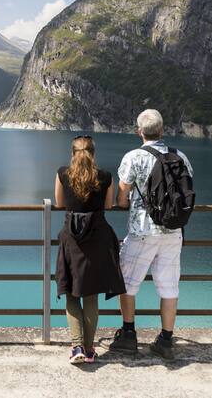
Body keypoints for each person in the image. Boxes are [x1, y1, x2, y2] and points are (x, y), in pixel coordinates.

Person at [109, 109, 194, 360]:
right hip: (173, 231)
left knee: (127, 283)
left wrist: (124, 201)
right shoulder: (180, 155)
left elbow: (122, 195)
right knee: (169, 287)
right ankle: (165, 340)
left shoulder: (134, 157)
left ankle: (128, 335)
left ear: (139, 132)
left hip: (142, 231)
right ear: (162, 130)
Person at [54, 135, 126, 365]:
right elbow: (107, 206)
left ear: (72, 153)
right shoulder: (105, 176)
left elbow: (59, 203)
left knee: (71, 292)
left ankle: (76, 348)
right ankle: (89, 349)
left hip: (72, 239)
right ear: (93, 154)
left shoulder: (63, 173)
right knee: (91, 295)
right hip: (97, 238)